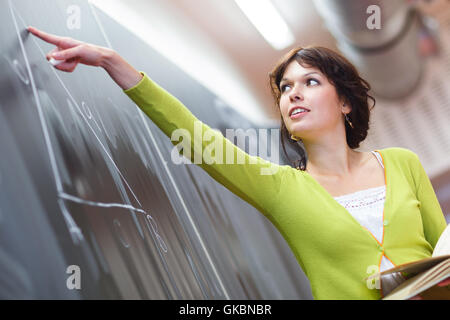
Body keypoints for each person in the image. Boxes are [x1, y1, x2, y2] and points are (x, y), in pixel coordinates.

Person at [27, 26, 448, 300]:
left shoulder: (402, 163)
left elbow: (442, 252)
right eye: (285, 89)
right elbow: (194, 137)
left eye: (310, 82)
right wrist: (112, 63)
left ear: (344, 102)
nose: (293, 94)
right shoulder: (281, 187)